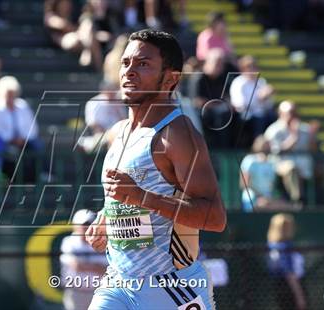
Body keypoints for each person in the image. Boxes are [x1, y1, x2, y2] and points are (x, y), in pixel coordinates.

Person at [85, 29, 226, 310]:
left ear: (171, 78)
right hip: (118, 282)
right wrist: (106, 219)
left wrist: (144, 198)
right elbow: (125, 197)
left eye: (143, 64)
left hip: (173, 287)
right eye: (125, 63)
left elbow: (215, 218)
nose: (129, 71)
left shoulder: (178, 135)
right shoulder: (118, 133)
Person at [264, 101, 319, 204]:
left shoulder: (305, 128)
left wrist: (312, 136)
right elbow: (277, 151)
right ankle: (297, 201)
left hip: (305, 164)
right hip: (280, 163)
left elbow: (313, 149)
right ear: (281, 114)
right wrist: (293, 137)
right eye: (290, 112)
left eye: (295, 113)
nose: (293, 116)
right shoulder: (273, 130)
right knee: (292, 168)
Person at [0, 76, 42, 162]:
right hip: (3, 142)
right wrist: (10, 139)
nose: (10, 97)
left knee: (37, 145)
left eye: (13, 94)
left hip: (23, 142)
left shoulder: (23, 106)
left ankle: (44, 173)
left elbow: (33, 128)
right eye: (8, 94)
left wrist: (23, 139)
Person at [60, 209, 107, 310]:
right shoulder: (68, 242)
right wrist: (96, 267)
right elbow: (76, 266)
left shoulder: (101, 241)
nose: (86, 227)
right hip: (76, 292)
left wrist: (86, 265)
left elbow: (106, 270)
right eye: (83, 224)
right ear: (75, 225)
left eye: (89, 223)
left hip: (99, 292)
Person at [240, 136, 299, 212]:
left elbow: (282, 169)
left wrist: (290, 167)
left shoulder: (272, 162)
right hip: (252, 199)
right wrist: (260, 197)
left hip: (269, 199)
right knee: (265, 205)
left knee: (291, 207)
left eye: (268, 146)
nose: (266, 148)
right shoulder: (249, 160)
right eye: (264, 146)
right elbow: (244, 184)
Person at [230, 55, 276, 147]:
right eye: (250, 67)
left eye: (255, 67)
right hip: (245, 115)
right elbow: (239, 104)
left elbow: (269, 105)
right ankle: (258, 147)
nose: (253, 70)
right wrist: (259, 98)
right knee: (259, 121)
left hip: (262, 114)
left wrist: (267, 97)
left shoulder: (261, 82)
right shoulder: (238, 83)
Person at [44, 0, 104, 69]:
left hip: (82, 38)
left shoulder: (73, 15)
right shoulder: (50, 16)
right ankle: (99, 67)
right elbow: (64, 26)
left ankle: (87, 52)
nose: (67, 6)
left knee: (88, 25)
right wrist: (82, 32)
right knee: (88, 34)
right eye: (64, 3)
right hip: (64, 40)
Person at [267, 213, 307, 310]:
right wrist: (299, 295)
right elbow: (289, 273)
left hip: (279, 286)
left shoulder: (272, 245)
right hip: (290, 288)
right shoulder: (284, 246)